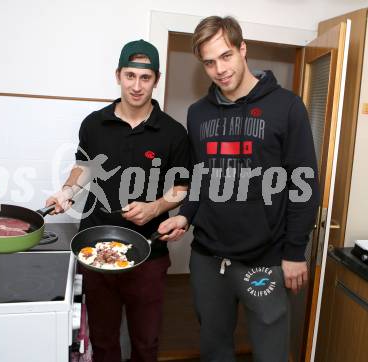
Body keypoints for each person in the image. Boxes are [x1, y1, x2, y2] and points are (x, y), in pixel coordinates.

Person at [158, 16, 319, 362]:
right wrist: (184, 217)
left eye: (226, 56)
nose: (220, 69)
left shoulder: (287, 107)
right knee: (215, 350)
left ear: (243, 49)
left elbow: (303, 185)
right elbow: (201, 176)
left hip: (266, 261)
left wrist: (294, 252)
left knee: (271, 352)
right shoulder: (198, 114)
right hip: (207, 259)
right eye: (210, 62)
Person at [46, 39, 190, 362]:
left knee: (146, 344)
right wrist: (68, 191)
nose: (137, 86)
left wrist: (154, 207)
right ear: (118, 75)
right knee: (103, 342)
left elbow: (182, 187)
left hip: (149, 253)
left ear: (156, 79)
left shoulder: (173, 133)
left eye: (145, 78)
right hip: (96, 253)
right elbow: (83, 167)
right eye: (130, 76)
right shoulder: (94, 123)